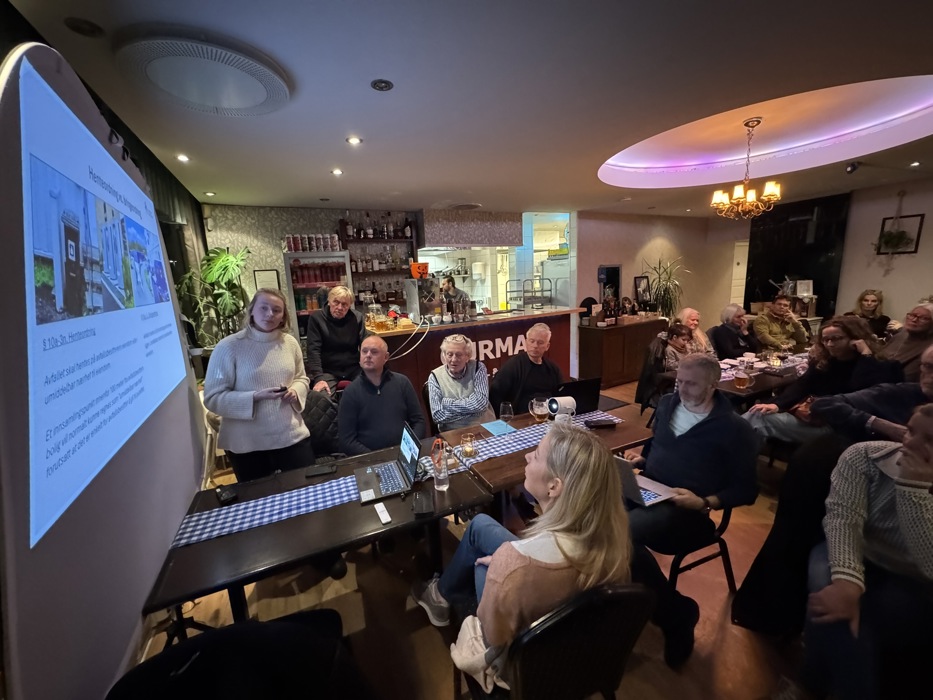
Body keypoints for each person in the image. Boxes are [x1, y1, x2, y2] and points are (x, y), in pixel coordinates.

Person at [411, 423, 632, 687]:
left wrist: (502, 568)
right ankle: (442, 593)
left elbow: (493, 635)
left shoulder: (511, 563)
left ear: (554, 487)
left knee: (480, 566)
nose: (527, 456)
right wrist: (510, 563)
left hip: (528, 671)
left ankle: (441, 596)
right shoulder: (615, 546)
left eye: (536, 455)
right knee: (480, 525)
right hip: (579, 659)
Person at [731, 349, 933, 638]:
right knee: (805, 553)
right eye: (926, 367)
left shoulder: (873, 367)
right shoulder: (901, 394)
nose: (928, 375)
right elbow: (827, 403)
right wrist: (887, 428)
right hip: (846, 475)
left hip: (893, 513)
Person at [794, 405, 933, 700]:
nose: (909, 443)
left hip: (914, 575)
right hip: (857, 550)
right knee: (831, 599)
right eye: (910, 430)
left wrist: (913, 489)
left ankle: (809, 685)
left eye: (930, 441)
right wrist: (847, 583)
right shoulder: (866, 455)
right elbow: (843, 519)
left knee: (854, 616)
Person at [624, 354, 759, 555]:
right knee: (590, 508)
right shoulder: (667, 404)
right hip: (649, 488)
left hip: (686, 510)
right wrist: (643, 461)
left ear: (713, 385)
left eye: (692, 384)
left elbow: (747, 489)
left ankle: (633, 571)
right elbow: (657, 442)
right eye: (679, 382)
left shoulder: (735, 428)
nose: (682, 390)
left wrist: (704, 503)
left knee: (618, 530)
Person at [203, 288, 312, 483]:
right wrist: (255, 397)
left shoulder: (290, 343)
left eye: (276, 310)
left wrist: (296, 391)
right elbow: (213, 398)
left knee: (306, 489)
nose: (270, 314)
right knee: (259, 498)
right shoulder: (227, 347)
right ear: (251, 310)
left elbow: (301, 378)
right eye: (264, 308)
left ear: (283, 316)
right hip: (247, 444)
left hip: (290, 435)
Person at [743, 316, 903, 445]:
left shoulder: (883, 366)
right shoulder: (826, 362)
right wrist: (777, 404)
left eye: (836, 339)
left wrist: (866, 356)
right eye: (825, 340)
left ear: (856, 339)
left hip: (846, 429)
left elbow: (861, 391)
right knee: (756, 414)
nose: (830, 344)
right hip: (818, 419)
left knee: (755, 420)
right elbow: (803, 385)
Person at [337, 336, 426, 455]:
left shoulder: (402, 383)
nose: (368, 355)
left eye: (374, 352)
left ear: (386, 357)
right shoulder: (350, 392)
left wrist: (408, 450)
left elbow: (419, 422)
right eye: (364, 351)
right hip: (369, 459)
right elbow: (346, 441)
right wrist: (377, 458)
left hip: (405, 453)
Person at [305, 286, 370, 396]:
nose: (340, 307)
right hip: (327, 370)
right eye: (336, 302)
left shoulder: (357, 317)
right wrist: (319, 377)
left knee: (373, 390)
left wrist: (371, 368)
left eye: (344, 304)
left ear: (350, 305)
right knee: (322, 398)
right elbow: (313, 350)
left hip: (353, 367)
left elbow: (365, 344)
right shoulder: (317, 318)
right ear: (329, 301)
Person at [489, 323, 563, 415]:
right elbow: (495, 395)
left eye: (540, 343)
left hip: (548, 414)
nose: (535, 346)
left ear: (547, 346)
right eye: (532, 341)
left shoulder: (553, 369)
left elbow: (561, 395)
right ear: (526, 342)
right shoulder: (513, 366)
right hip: (520, 417)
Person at [427, 334, 495, 431]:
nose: (454, 359)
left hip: (483, 427)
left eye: (458, 355)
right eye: (449, 354)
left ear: (468, 356)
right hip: (452, 432)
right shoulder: (435, 377)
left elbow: (481, 404)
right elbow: (438, 416)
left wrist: (448, 404)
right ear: (444, 356)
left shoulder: (478, 368)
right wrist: (473, 411)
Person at [877, 303, 933, 382]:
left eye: (923, 318)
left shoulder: (929, 348)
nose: (914, 320)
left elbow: (908, 377)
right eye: (912, 315)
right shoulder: (901, 335)